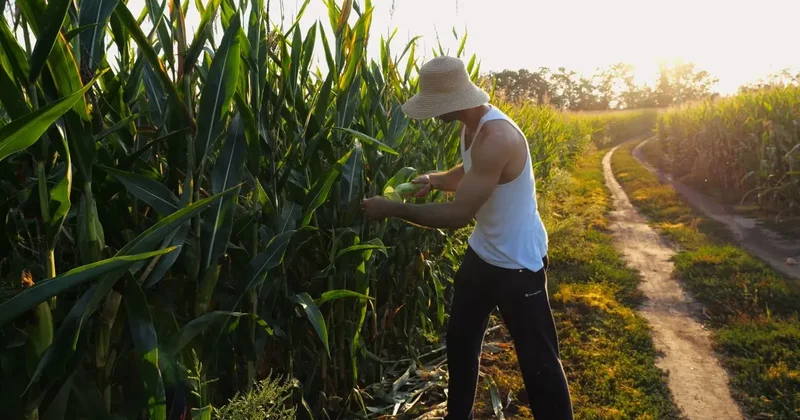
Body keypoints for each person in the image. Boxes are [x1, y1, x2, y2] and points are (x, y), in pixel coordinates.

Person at [361, 56, 574, 419]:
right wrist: (434, 180)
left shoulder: (497, 137)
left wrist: (392, 209)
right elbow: (469, 171)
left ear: (454, 100)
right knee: (460, 345)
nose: (432, 114)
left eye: (434, 106)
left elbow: (459, 215)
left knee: (539, 364)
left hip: (518, 265)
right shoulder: (471, 126)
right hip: (481, 256)